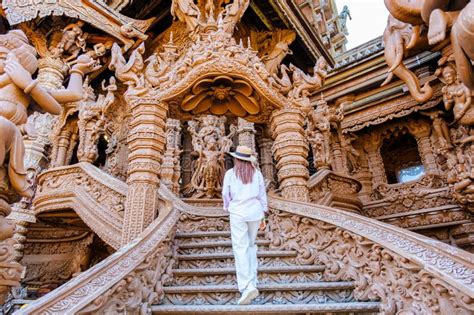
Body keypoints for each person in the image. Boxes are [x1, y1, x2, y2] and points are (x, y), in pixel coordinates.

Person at [222, 145, 268, 305]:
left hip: (238, 212)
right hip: (255, 212)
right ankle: (253, 281)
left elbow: (225, 194)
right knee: (251, 246)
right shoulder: (257, 174)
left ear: (236, 158)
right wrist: (263, 215)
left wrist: (228, 207)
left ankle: (246, 286)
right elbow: (262, 195)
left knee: (240, 248)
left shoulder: (230, 174)